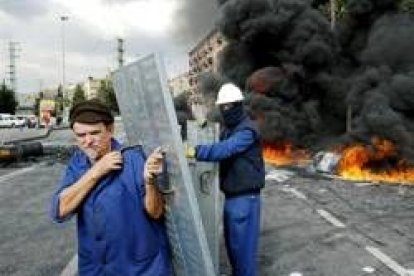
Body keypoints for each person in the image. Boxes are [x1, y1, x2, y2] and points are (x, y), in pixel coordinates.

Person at [50, 99, 172, 276]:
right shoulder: (77, 163)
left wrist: (150, 181)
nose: (88, 141)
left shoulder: (133, 158)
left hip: (139, 268)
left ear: (110, 130)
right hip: (96, 268)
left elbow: (156, 212)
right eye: (81, 135)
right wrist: (96, 171)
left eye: (94, 133)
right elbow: (59, 211)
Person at [186, 83, 265, 276]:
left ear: (238, 105)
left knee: (243, 254)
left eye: (228, 107)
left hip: (245, 199)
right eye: (222, 107)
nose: (225, 111)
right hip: (232, 199)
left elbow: (225, 149)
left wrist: (194, 151)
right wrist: (203, 124)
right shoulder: (230, 128)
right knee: (234, 250)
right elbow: (218, 141)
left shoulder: (247, 131)